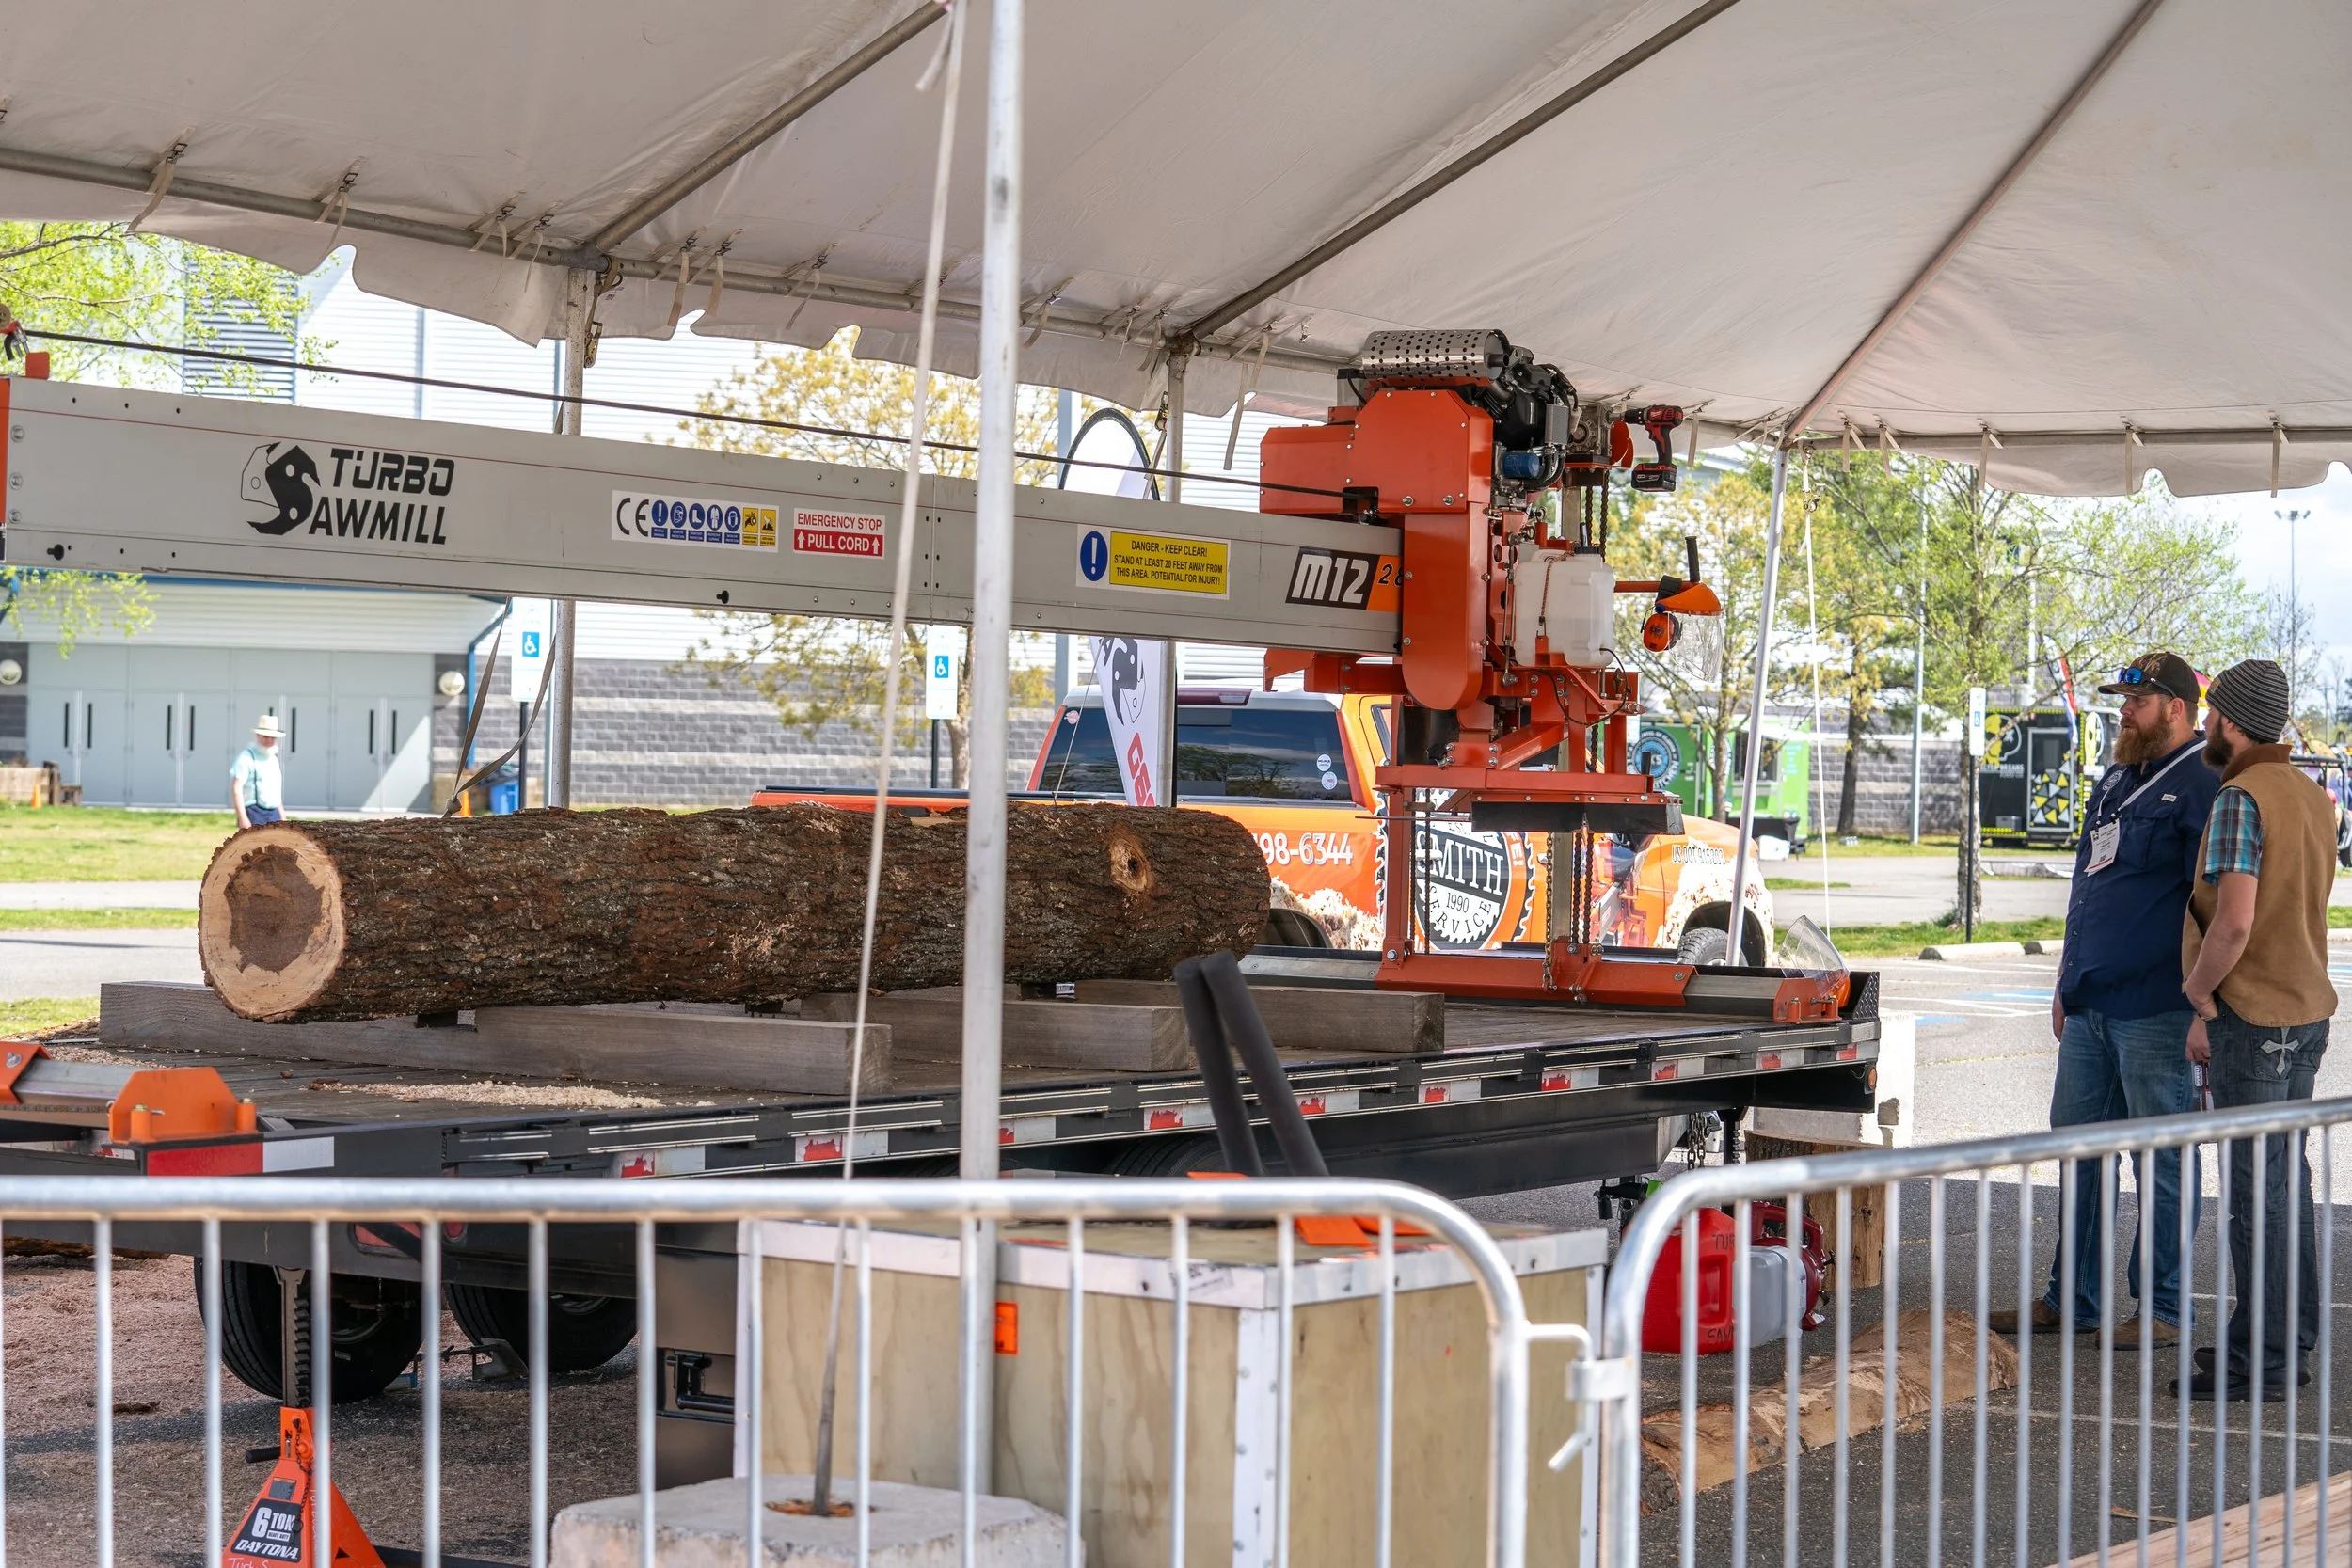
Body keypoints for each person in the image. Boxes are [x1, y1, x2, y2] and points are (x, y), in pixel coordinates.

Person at [1990, 652, 2217, 1344]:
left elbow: (2211, 903)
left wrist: (2205, 1006)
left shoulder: (2203, 781)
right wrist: (2066, 979)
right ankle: (2073, 1299)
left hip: (2158, 1006)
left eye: (2137, 701)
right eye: (2122, 699)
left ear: (2176, 707)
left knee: (2162, 1160)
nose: (2123, 711)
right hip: (2091, 1002)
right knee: (2081, 1151)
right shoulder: (2118, 778)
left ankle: (2164, 1310)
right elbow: (2087, 884)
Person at [2179, 657, 2336, 1400]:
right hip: (2304, 1011)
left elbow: (2236, 919)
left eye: (2212, 711)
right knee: (2286, 1184)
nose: (2207, 722)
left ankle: (2263, 1361)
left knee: (2254, 1193)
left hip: (2255, 1013)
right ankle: (2283, 1340)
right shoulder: (2314, 796)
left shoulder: (2241, 796)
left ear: (2229, 720)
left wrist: (2199, 992)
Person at [230, 715, 287, 829]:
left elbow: (276, 793)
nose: (269, 740)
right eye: (266, 736)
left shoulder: (273, 760)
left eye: (273, 737)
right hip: (253, 813)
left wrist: (283, 816)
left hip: (274, 813)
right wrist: (243, 818)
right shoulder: (246, 757)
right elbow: (236, 788)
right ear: (258, 735)